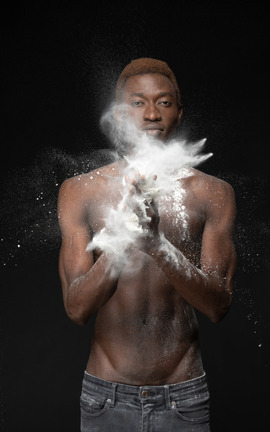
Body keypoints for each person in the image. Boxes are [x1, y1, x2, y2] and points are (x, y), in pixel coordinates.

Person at [57, 58, 236, 431]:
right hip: (105, 397)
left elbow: (218, 306)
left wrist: (157, 245)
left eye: (164, 102)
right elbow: (76, 309)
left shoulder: (213, 193)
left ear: (179, 112)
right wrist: (122, 240)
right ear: (120, 114)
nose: (152, 113)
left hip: (183, 397)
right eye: (138, 103)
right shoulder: (80, 191)